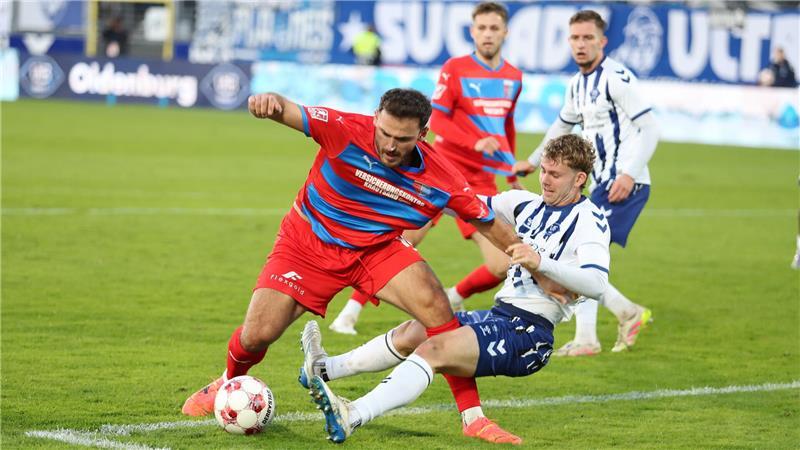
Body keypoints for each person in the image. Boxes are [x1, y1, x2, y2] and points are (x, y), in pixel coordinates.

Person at [181, 88, 524, 444]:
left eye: (402, 139)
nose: (390, 145)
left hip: (376, 249)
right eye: (385, 133)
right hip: (308, 241)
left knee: (439, 313)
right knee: (257, 334)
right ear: (376, 117)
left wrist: (528, 257)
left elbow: (486, 221)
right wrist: (269, 102)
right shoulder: (343, 128)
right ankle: (227, 380)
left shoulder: (442, 178)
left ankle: (473, 418)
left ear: (422, 134)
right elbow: (289, 109)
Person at [302, 134, 611, 444]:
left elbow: (597, 284)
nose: (544, 179)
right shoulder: (524, 203)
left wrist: (541, 262)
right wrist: (404, 182)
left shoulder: (590, 220)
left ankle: (353, 414)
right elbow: (463, 205)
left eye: (555, 174)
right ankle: (322, 370)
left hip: (530, 336)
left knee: (435, 349)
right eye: (543, 170)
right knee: (416, 331)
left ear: (579, 178)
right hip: (499, 316)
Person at [329, 1, 524, 335]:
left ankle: (454, 296)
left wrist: (510, 171)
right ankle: (348, 314)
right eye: (481, 28)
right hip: (439, 173)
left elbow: (506, 126)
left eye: (494, 28)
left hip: (479, 180)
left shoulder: (513, 77)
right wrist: (472, 142)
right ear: (473, 31)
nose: (488, 34)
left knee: (502, 263)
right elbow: (440, 120)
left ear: (505, 32)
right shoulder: (455, 68)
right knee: (404, 241)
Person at [513, 10, 657, 356]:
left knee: (578, 256)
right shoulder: (577, 84)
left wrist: (628, 173)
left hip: (625, 182)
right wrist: (533, 162)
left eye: (587, 38)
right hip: (600, 183)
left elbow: (651, 127)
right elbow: (561, 126)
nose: (580, 44)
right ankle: (624, 314)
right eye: (575, 38)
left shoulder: (616, 78)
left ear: (602, 41)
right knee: (577, 255)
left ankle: (589, 338)